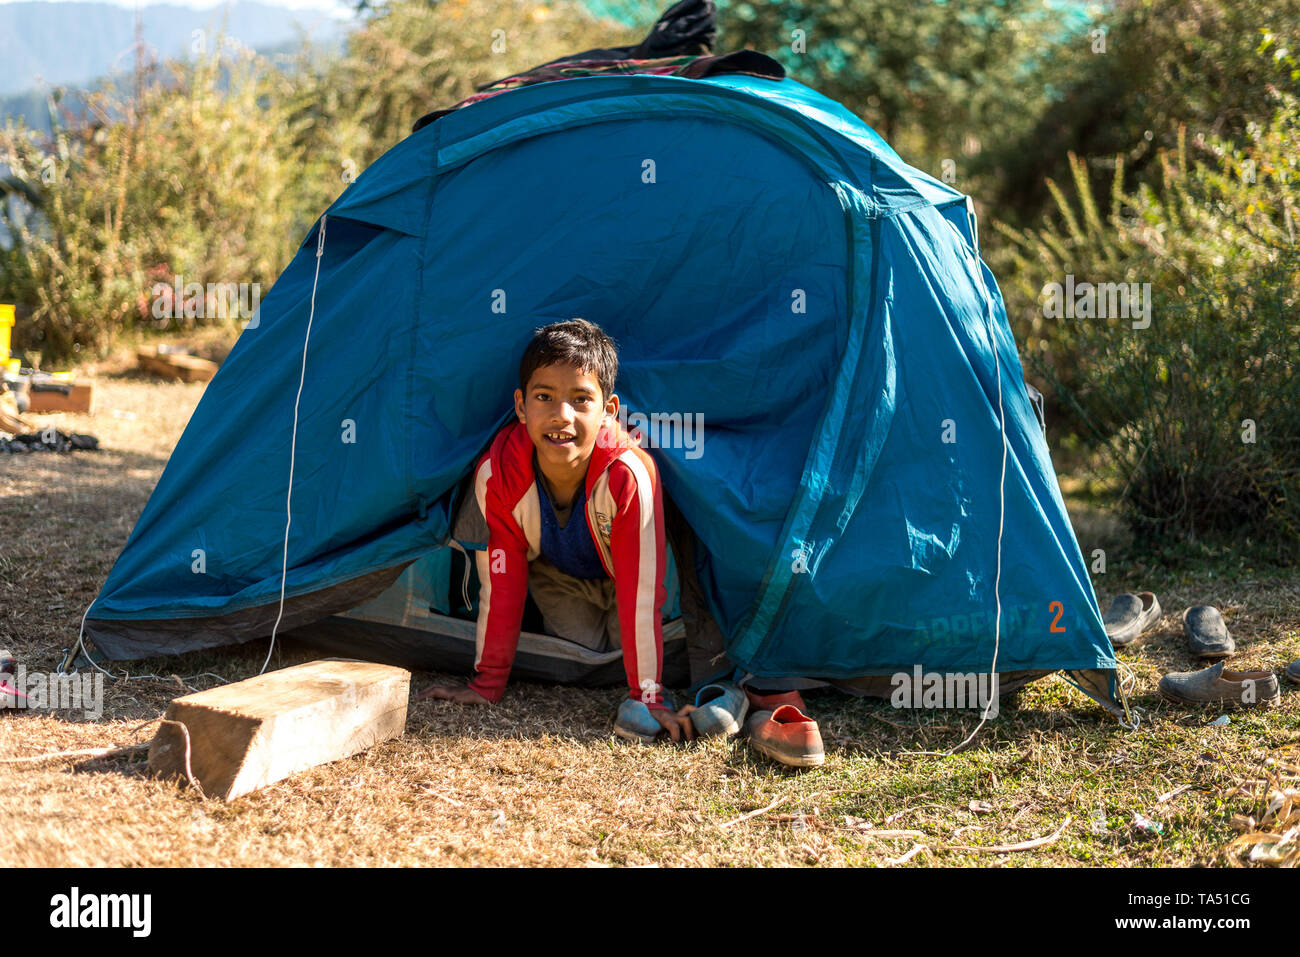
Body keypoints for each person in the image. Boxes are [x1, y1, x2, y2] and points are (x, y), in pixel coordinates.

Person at [418, 319, 695, 743]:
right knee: (584, 650)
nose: (561, 416)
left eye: (581, 399)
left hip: (629, 578)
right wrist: (487, 683)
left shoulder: (628, 475)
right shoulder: (500, 473)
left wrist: (648, 696)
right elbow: (502, 581)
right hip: (559, 578)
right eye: (544, 396)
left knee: (629, 643)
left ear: (609, 411)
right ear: (521, 405)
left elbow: (642, 592)